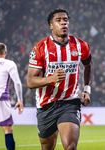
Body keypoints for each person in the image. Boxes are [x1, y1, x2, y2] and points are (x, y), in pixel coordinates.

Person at [27, 8, 93, 150]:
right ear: (51, 25)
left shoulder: (81, 45)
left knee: (70, 147)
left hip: (70, 102)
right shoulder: (40, 47)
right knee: (47, 147)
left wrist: (87, 89)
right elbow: (31, 82)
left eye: (66, 20)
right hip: (46, 105)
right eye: (58, 20)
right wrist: (51, 78)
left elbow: (88, 65)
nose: (63, 23)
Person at [0, 43, 23, 150]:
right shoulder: (9, 63)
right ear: (5, 52)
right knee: (7, 130)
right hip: (0, 98)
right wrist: (20, 100)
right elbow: (17, 83)